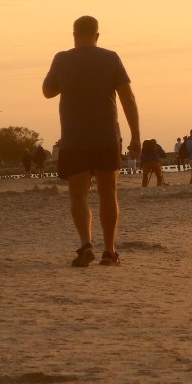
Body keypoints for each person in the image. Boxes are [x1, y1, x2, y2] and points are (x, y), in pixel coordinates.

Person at [42, 15, 141, 267]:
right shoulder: (110, 58)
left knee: (78, 195)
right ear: (97, 35)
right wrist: (136, 136)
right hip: (106, 136)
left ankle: (86, 245)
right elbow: (127, 98)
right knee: (108, 193)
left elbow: (47, 91)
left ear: (74, 34)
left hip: (74, 138)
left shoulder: (62, 59)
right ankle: (109, 251)